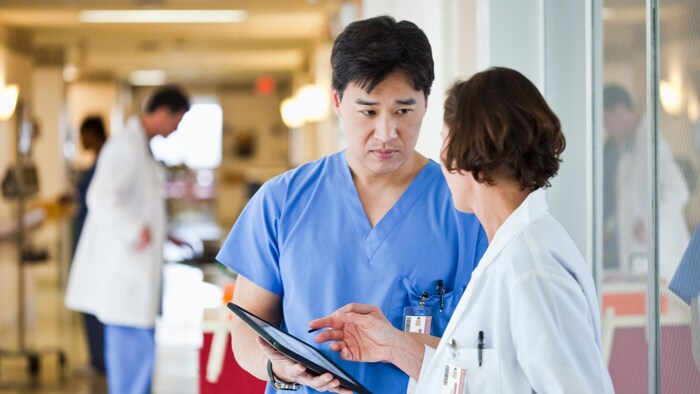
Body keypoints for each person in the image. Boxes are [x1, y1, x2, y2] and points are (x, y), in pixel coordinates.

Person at [216, 15, 487, 394]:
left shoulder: (468, 208)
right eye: (369, 111)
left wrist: (402, 346)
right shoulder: (282, 202)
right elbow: (247, 329)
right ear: (338, 102)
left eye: (403, 111)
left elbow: (489, 353)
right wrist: (276, 368)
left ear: (427, 103)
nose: (386, 133)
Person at [311, 68, 614, 393]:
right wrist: (393, 347)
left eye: (444, 140)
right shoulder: (507, 253)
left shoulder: (531, 270)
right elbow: (492, 382)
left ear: (464, 151)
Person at [65, 86, 190, 394]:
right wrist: (136, 229)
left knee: (138, 352)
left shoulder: (140, 146)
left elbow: (139, 202)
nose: (176, 129)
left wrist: (163, 232)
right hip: (125, 271)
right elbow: (101, 196)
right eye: (178, 120)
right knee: (131, 350)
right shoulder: (124, 146)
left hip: (134, 267)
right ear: (163, 112)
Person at [603, 84, 690, 280]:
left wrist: (649, 221)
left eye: (607, 122)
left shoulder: (652, 143)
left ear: (619, 110)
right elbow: (628, 203)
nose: (607, 130)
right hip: (638, 263)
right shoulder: (626, 152)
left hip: (662, 265)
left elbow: (678, 190)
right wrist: (610, 228)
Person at [73, 116, 108, 375]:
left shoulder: (106, 162)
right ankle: (98, 358)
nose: (81, 141)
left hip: (97, 245)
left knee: (95, 303)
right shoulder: (98, 162)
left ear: (92, 134)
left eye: (82, 134)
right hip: (88, 240)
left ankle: (99, 360)